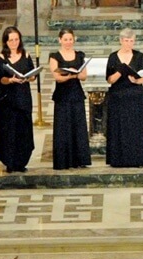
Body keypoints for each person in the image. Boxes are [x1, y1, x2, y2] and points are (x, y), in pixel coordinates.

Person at [105, 28, 143, 168]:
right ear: (121, 41)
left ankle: (137, 159)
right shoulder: (113, 57)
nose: (129, 44)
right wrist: (119, 72)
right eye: (126, 41)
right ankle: (118, 159)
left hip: (135, 96)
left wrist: (136, 80)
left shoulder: (139, 56)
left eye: (131, 41)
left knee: (135, 127)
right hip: (118, 97)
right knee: (119, 127)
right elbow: (109, 79)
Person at [0, 26, 36, 173]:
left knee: (23, 129)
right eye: (11, 40)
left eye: (16, 39)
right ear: (6, 42)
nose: (14, 43)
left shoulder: (26, 55)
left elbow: (33, 74)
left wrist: (28, 78)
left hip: (23, 96)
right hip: (8, 98)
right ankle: (9, 163)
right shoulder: (1, 58)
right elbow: (1, 78)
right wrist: (11, 80)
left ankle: (21, 162)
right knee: (9, 130)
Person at [48, 28, 91, 170]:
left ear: (74, 39)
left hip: (76, 94)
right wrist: (72, 75)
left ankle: (80, 159)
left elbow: (83, 76)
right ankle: (63, 161)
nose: (68, 42)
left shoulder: (79, 55)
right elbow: (58, 77)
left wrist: (74, 75)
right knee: (63, 128)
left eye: (70, 39)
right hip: (62, 95)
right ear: (60, 40)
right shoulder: (54, 56)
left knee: (78, 127)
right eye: (65, 39)